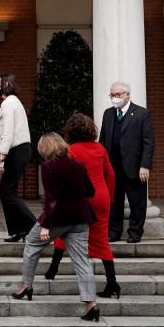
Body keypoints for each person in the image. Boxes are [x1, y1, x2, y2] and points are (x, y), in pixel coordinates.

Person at [10, 133, 100, 323]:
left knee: (31, 244)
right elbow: (90, 191)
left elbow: (51, 199)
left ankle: (26, 285)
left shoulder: (48, 167)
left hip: (58, 219)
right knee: (82, 261)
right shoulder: (78, 165)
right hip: (80, 218)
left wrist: (45, 225)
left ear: (45, 149)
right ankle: (91, 305)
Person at [45, 113, 120, 298]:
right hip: (101, 196)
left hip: (79, 197)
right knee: (101, 238)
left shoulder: (70, 150)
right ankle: (112, 282)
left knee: (64, 231)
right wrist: (109, 197)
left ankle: (53, 269)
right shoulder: (100, 148)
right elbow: (110, 174)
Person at [99, 81, 154, 244]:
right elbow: (103, 139)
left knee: (137, 202)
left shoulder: (141, 114)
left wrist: (145, 165)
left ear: (127, 95)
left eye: (118, 95)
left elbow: (148, 142)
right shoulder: (108, 114)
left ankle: (135, 233)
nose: (115, 98)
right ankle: (114, 232)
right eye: (112, 95)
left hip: (134, 167)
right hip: (112, 166)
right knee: (114, 202)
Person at [0, 73, 36, 243]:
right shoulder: (13, 102)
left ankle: (34, 226)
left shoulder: (9, 103)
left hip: (16, 150)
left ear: (5, 84)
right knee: (8, 191)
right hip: (19, 149)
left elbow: (8, 131)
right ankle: (19, 230)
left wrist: (1, 157)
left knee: (7, 191)